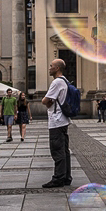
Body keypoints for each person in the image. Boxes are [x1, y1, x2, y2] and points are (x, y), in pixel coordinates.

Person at [41, 58, 73, 188]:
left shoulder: (56, 82)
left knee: (57, 150)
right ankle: (66, 177)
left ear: (57, 68)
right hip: (63, 120)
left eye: (51, 66)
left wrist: (46, 101)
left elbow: (45, 100)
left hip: (56, 120)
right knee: (64, 150)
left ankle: (58, 178)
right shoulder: (65, 81)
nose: (49, 68)